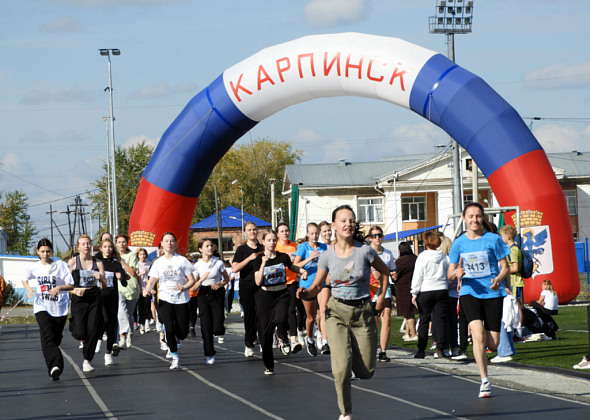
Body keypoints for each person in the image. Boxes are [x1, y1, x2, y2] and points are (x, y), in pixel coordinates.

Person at [298, 205, 390, 420]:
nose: (348, 224)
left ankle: (358, 363)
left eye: (351, 220)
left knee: (366, 371)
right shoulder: (327, 255)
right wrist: (305, 293)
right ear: (334, 226)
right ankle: (345, 412)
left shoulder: (365, 251)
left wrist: (381, 297)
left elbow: (385, 272)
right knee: (340, 369)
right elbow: (318, 286)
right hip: (336, 311)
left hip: (363, 311)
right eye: (343, 221)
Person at [448, 202, 510, 398]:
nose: (474, 219)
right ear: (464, 219)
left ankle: (482, 336)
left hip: (492, 293)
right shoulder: (458, 243)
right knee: (477, 334)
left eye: (478, 216)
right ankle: (484, 380)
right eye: (471, 216)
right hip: (469, 291)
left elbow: (506, 267)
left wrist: (498, 279)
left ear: (482, 218)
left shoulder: (493, 239)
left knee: (493, 344)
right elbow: (449, 273)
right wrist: (456, 271)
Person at [254, 230, 308, 374]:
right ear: (264, 241)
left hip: (282, 293)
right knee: (265, 333)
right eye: (269, 240)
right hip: (265, 296)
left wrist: (302, 271)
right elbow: (258, 282)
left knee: (281, 317)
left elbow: (292, 267)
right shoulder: (259, 259)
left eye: (274, 240)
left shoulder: (283, 257)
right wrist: (263, 265)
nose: (272, 243)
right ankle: (268, 365)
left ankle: (283, 338)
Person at [22, 239, 75, 381]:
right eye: (42, 251)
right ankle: (55, 366)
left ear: (52, 251)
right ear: (38, 252)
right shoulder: (34, 267)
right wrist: (28, 290)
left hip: (59, 306)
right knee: (47, 335)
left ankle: (54, 362)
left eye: (48, 251)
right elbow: (24, 279)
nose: (45, 254)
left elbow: (71, 285)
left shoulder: (61, 266)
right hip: (41, 305)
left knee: (55, 338)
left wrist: (59, 287)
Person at [145, 232, 197, 369]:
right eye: (166, 241)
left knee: (182, 332)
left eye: (172, 241)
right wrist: (147, 289)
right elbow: (151, 280)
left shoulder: (182, 261)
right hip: (164, 299)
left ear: (175, 244)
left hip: (181, 300)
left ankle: (179, 337)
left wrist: (184, 287)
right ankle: (175, 356)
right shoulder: (158, 263)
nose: (169, 243)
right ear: (162, 244)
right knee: (169, 328)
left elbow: (192, 280)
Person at [68, 234, 106, 372]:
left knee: (93, 329)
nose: (86, 246)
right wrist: (74, 290)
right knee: (79, 332)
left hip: (94, 296)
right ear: (78, 247)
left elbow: (104, 286)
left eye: (88, 243)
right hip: (79, 297)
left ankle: (87, 360)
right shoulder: (73, 262)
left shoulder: (98, 263)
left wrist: (101, 278)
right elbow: (64, 284)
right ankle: (75, 329)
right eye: (83, 244)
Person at [411, 232, 449, 359]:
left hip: (426, 289)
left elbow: (418, 276)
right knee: (440, 321)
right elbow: (448, 274)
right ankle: (440, 349)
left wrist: (414, 292)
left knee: (424, 320)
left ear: (425, 242)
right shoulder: (444, 257)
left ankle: (421, 350)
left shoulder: (422, 257)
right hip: (441, 289)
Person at [192, 239, 228, 365]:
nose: (209, 248)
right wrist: (201, 279)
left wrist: (220, 284)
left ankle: (219, 332)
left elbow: (226, 279)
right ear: (200, 249)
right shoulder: (197, 266)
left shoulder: (218, 263)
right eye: (206, 246)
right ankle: (209, 353)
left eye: (211, 246)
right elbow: (193, 288)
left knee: (217, 327)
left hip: (216, 292)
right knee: (206, 326)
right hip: (203, 294)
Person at [294, 222, 328, 355]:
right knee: (311, 317)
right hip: (307, 286)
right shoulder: (303, 247)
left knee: (323, 310)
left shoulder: (324, 247)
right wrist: (310, 258)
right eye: (312, 233)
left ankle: (325, 342)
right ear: (307, 234)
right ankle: (309, 339)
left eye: (316, 233)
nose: (315, 236)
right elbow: (295, 265)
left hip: (323, 283)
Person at [232, 222, 264, 357]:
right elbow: (235, 268)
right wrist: (249, 259)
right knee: (250, 316)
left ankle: (263, 341)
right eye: (249, 230)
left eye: (254, 229)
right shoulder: (241, 250)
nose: (252, 232)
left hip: (262, 284)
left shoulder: (263, 248)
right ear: (245, 232)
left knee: (262, 315)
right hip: (247, 284)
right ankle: (249, 343)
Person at [95, 239, 128, 365]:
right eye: (105, 247)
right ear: (101, 249)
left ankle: (108, 353)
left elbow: (124, 284)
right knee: (103, 320)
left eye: (110, 247)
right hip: (99, 297)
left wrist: (121, 278)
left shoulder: (116, 265)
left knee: (111, 323)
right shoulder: (96, 263)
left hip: (113, 297)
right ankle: (98, 339)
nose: (108, 249)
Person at [367, 225, 396, 362]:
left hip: (385, 289)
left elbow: (391, 271)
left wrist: (393, 274)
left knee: (387, 318)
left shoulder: (388, 253)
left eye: (379, 235)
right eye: (374, 235)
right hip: (369, 289)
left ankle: (383, 351)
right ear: (369, 238)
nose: (377, 238)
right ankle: (370, 348)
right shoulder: (366, 252)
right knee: (372, 321)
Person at [276, 222, 304, 355]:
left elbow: (299, 261)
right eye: (282, 231)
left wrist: (301, 270)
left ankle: (293, 340)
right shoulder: (275, 246)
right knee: (282, 314)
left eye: (286, 230)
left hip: (292, 281)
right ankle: (281, 337)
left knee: (292, 310)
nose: (285, 233)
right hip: (278, 282)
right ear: (278, 234)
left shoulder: (295, 246)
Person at [115, 234, 141, 350]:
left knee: (129, 315)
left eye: (124, 242)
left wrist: (122, 262)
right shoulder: (112, 256)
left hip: (131, 289)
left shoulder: (131, 256)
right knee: (121, 311)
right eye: (119, 242)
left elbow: (133, 272)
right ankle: (122, 336)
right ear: (116, 244)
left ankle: (130, 333)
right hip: (119, 288)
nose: (121, 244)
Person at [393, 242, 418, 341]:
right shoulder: (415, 258)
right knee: (408, 312)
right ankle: (407, 333)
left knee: (408, 313)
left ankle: (414, 334)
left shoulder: (400, 261)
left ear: (400, 250)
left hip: (403, 288)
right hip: (415, 287)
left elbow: (395, 274)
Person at [439, 237, 460, 356]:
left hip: (445, 291)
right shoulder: (454, 259)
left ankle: (445, 347)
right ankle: (455, 347)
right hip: (454, 293)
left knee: (444, 322)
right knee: (453, 322)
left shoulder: (444, 259)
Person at [136, 248, 153, 333]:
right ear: (138, 255)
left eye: (144, 254)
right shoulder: (137, 264)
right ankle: (141, 323)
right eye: (141, 254)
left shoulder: (149, 264)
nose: (142, 256)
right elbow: (134, 275)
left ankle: (147, 322)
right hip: (139, 287)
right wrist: (141, 273)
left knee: (147, 304)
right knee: (140, 305)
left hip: (147, 287)